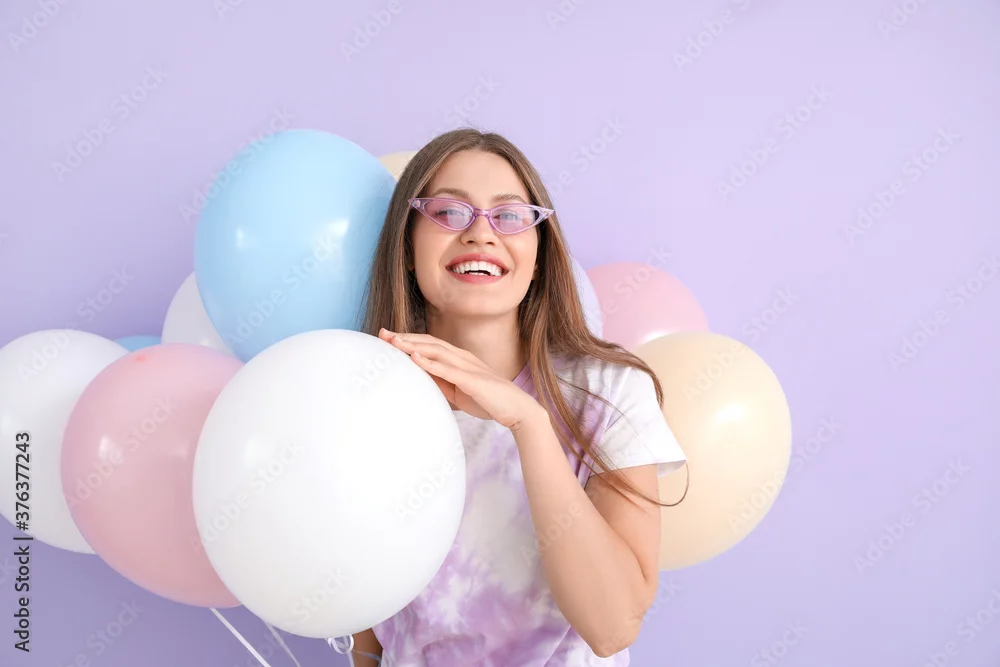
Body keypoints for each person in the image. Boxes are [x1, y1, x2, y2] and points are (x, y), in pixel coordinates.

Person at [351, 128, 687, 666]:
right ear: (408, 248)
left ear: (539, 255)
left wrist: (528, 423)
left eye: (509, 216)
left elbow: (611, 627)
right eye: (449, 212)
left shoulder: (609, 391)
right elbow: (367, 613)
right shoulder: (364, 399)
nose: (481, 234)